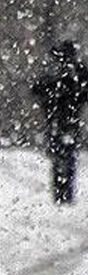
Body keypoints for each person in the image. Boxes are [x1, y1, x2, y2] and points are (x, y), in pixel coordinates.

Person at [32, 40, 88, 204]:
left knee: (62, 157)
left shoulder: (66, 73)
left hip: (61, 121)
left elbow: (38, 90)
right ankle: (63, 192)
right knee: (64, 157)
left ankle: (62, 192)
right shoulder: (71, 73)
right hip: (64, 120)